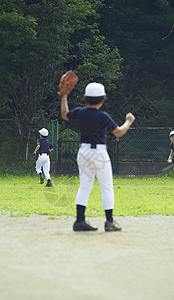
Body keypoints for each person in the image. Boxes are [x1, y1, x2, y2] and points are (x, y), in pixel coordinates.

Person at [60, 82, 135, 232]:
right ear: (103, 99)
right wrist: (129, 121)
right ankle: (109, 222)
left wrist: (64, 96)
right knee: (106, 187)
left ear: (85, 98)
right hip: (98, 153)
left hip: (83, 151)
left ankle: (79, 221)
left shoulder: (80, 112)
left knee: (84, 187)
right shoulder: (103, 116)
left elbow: (64, 115)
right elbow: (119, 132)